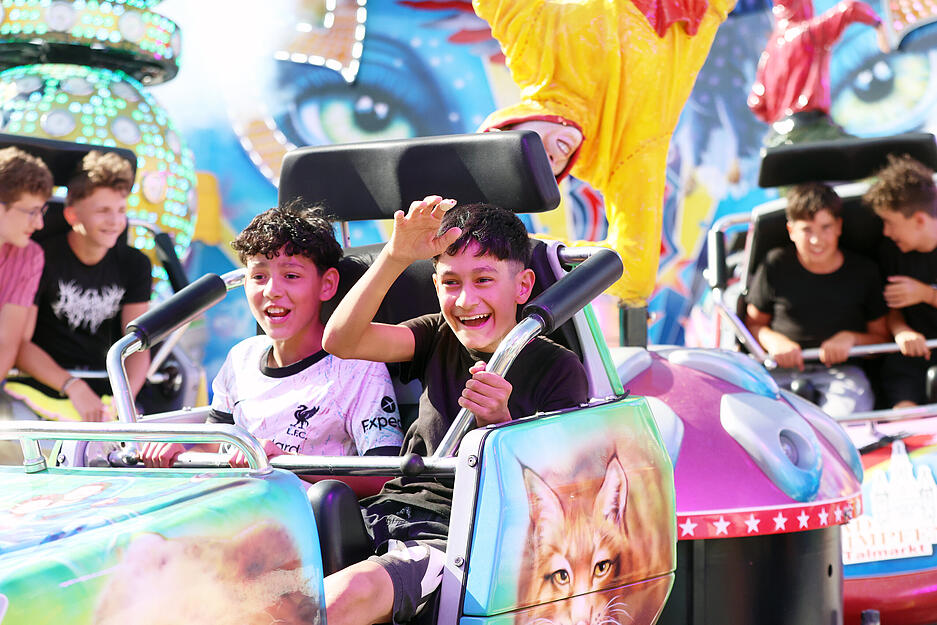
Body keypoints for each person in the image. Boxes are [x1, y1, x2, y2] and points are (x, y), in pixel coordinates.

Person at [321, 197, 589, 625]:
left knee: (342, 598)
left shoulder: (558, 369)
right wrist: (394, 256)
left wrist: (499, 427)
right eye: (451, 283)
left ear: (522, 286)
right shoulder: (435, 334)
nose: (466, 300)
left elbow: (555, 500)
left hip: (458, 536)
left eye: (483, 280)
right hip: (387, 514)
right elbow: (341, 340)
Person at [474, 0, 735, 305]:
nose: (551, 161)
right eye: (547, 175)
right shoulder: (624, 160)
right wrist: (536, 250)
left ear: (510, 124)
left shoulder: (531, 48)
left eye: (529, 155)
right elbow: (634, 275)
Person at [141, 202, 404, 471]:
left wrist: (283, 462)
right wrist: (177, 453)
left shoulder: (358, 367)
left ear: (327, 284)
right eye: (258, 276)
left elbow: (383, 474)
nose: (272, 291)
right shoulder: (240, 359)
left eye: (290, 275)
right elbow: (211, 448)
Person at [7, 150, 150, 422]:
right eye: (103, 211)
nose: (114, 221)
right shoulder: (41, 258)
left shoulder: (135, 264)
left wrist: (126, 398)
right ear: (72, 215)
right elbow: (21, 344)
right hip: (44, 386)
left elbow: (138, 343)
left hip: (107, 393)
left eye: (121, 211)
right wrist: (72, 386)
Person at [745, 182, 888, 415]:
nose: (816, 240)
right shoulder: (775, 264)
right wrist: (774, 342)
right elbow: (753, 324)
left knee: (847, 414)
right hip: (778, 372)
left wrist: (850, 339)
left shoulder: (864, 272)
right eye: (807, 230)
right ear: (791, 231)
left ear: (839, 227)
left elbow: (881, 338)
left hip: (842, 375)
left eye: (825, 228)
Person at [747, 0, 888, 146]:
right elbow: (850, 8)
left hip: (778, 137)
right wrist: (878, 24)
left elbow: (756, 103)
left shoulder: (769, 53)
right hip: (812, 128)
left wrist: (777, 116)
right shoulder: (810, 33)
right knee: (861, 154)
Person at [863, 154, 937, 407]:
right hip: (912, 357)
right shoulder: (891, 251)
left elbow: (923, 294)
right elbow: (892, 309)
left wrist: (927, 294)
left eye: (890, 222)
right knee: (902, 397)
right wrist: (902, 332)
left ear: (918, 220)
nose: (885, 231)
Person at [0, 147, 52, 382]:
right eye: (32, 212)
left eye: (42, 211)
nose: (39, 224)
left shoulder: (30, 256)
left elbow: (6, 343)